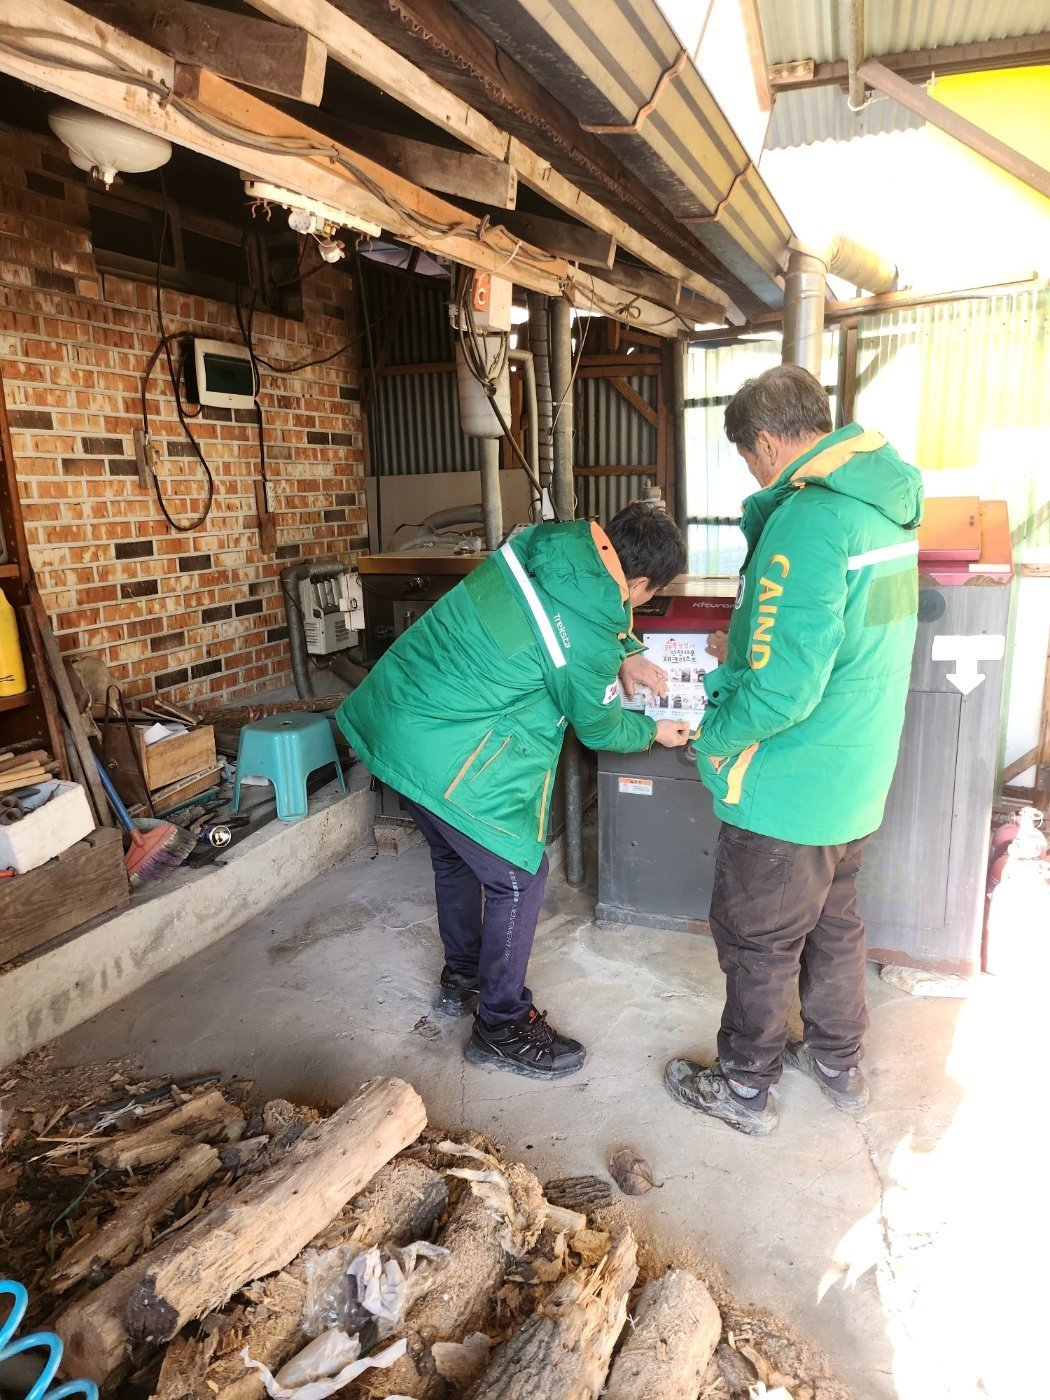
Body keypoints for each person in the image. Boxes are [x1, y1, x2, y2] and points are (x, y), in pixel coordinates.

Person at [337, 503, 690, 1080]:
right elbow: (600, 728)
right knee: (519, 879)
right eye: (648, 595)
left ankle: (463, 977)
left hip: (395, 718)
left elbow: (582, 612)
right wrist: (656, 729)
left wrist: (625, 653)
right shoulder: (589, 638)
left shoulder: (543, 546)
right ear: (641, 583)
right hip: (439, 747)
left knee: (454, 857)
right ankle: (500, 1026)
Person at [664, 364, 923, 1136]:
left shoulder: (809, 520)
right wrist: (742, 644)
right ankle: (839, 1064)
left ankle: (746, 1089)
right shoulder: (880, 511)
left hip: (790, 787)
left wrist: (713, 739)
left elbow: (784, 691)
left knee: (759, 941)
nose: (752, 472)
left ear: (768, 443)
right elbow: (840, 641)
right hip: (854, 777)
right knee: (834, 924)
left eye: (747, 457)